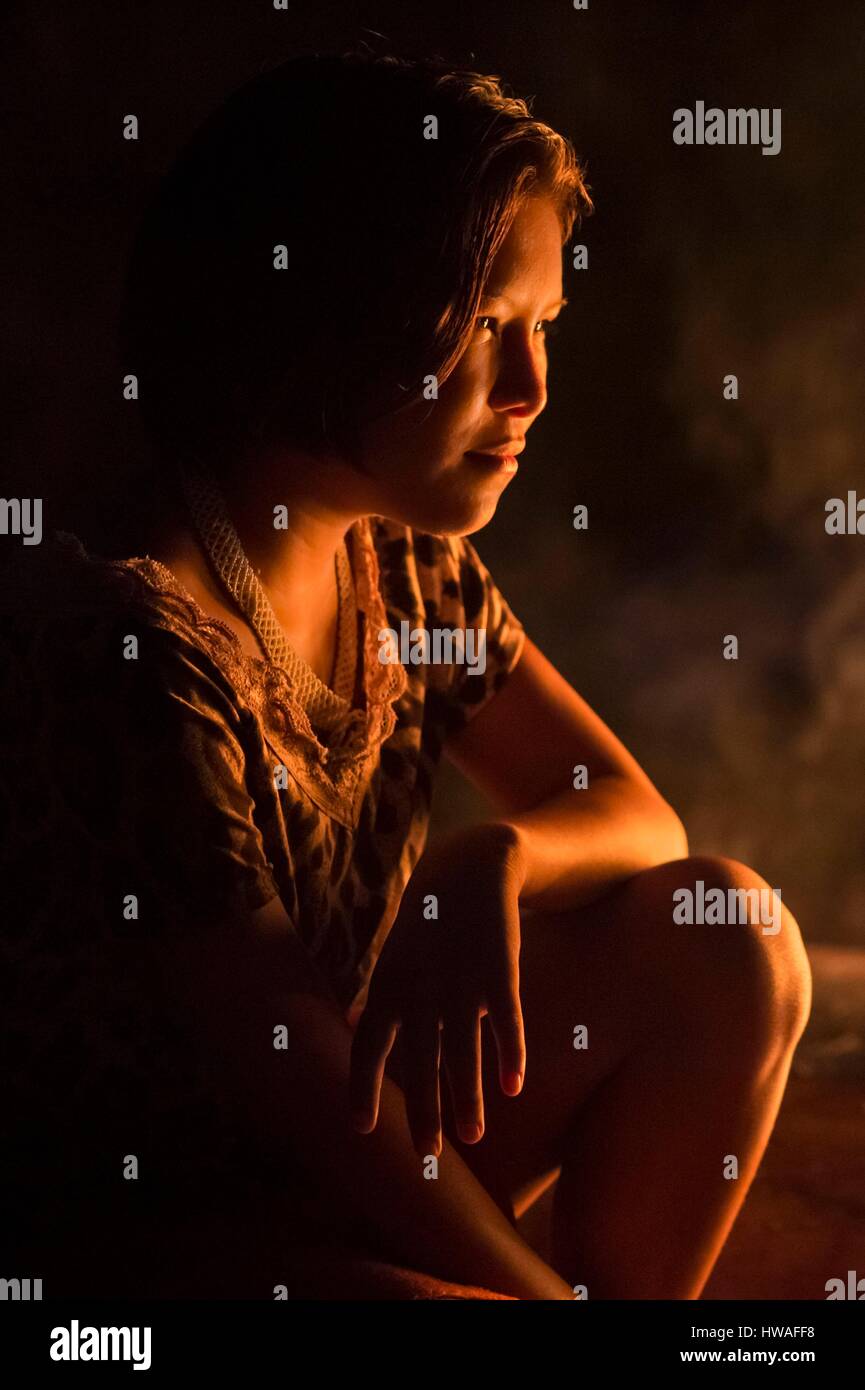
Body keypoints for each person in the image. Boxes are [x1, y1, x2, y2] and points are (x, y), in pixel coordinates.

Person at [0, 46, 812, 1300]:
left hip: (344, 1153)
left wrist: (491, 854)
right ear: (336, 311)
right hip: (157, 1221)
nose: (533, 389)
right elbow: (304, 1082)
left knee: (731, 937)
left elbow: (639, 813)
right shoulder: (135, 649)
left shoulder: (404, 570)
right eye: (488, 326)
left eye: (541, 327)